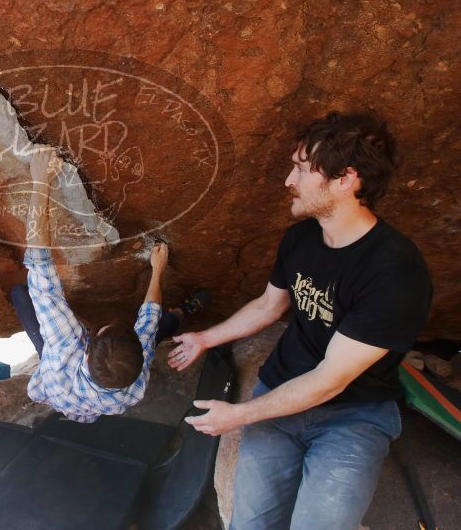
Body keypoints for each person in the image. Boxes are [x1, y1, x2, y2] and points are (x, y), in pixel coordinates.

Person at [168, 112, 433, 530]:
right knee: (250, 525)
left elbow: (331, 379)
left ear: (345, 179)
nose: (289, 180)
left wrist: (238, 415)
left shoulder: (395, 272)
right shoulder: (301, 239)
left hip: (353, 415)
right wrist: (204, 337)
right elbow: (268, 306)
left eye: (302, 169)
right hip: (280, 391)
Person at [10, 146, 208, 423]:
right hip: (91, 391)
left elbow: (40, 262)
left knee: (20, 293)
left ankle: (178, 315)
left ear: (87, 352)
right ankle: (183, 311)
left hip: (60, 385)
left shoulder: (63, 349)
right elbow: (148, 321)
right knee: (158, 326)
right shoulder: (134, 386)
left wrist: (41, 181)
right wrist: (157, 271)